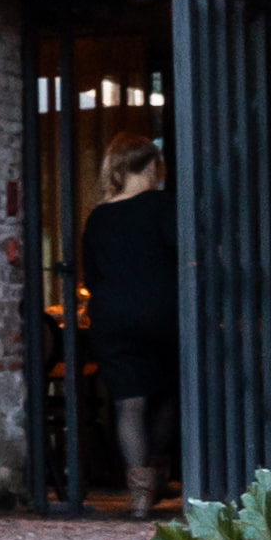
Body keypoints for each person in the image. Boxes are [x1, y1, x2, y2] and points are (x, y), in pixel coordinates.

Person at [81, 139, 176, 515]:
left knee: (129, 405)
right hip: (162, 314)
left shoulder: (99, 217)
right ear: (152, 166)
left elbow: (92, 275)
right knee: (168, 395)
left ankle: (139, 497)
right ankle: (160, 476)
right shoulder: (164, 206)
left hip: (113, 319)